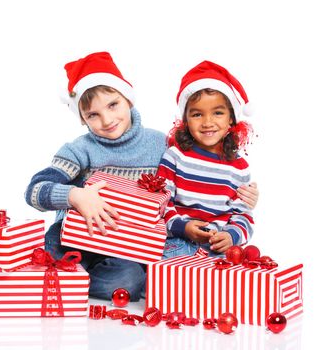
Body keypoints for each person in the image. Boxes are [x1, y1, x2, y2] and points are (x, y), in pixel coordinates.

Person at [25, 53, 259, 301]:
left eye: (113, 105)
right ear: (82, 118)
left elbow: (194, 173)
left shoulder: (162, 145)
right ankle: (60, 276)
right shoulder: (79, 150)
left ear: (128, 99)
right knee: (51, 254)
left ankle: (71, 282)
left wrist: (245, 195)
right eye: (92, 114)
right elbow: (35, 191)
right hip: (77, 239)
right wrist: (75, 195)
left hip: (124, 244)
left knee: (130, 281)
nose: (107, 119)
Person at [157, 60, 255, 259]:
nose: (207, 122)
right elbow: (161, 201)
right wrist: (182, 226)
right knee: (168, 285)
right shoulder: (176, 156)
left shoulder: (239, 168)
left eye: (218, 113)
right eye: (197, 114)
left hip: (218, 249)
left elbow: (243, 214)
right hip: (176, 244)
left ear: (231, 119)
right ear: (186, 120)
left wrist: (231, 235)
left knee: (229, 286)